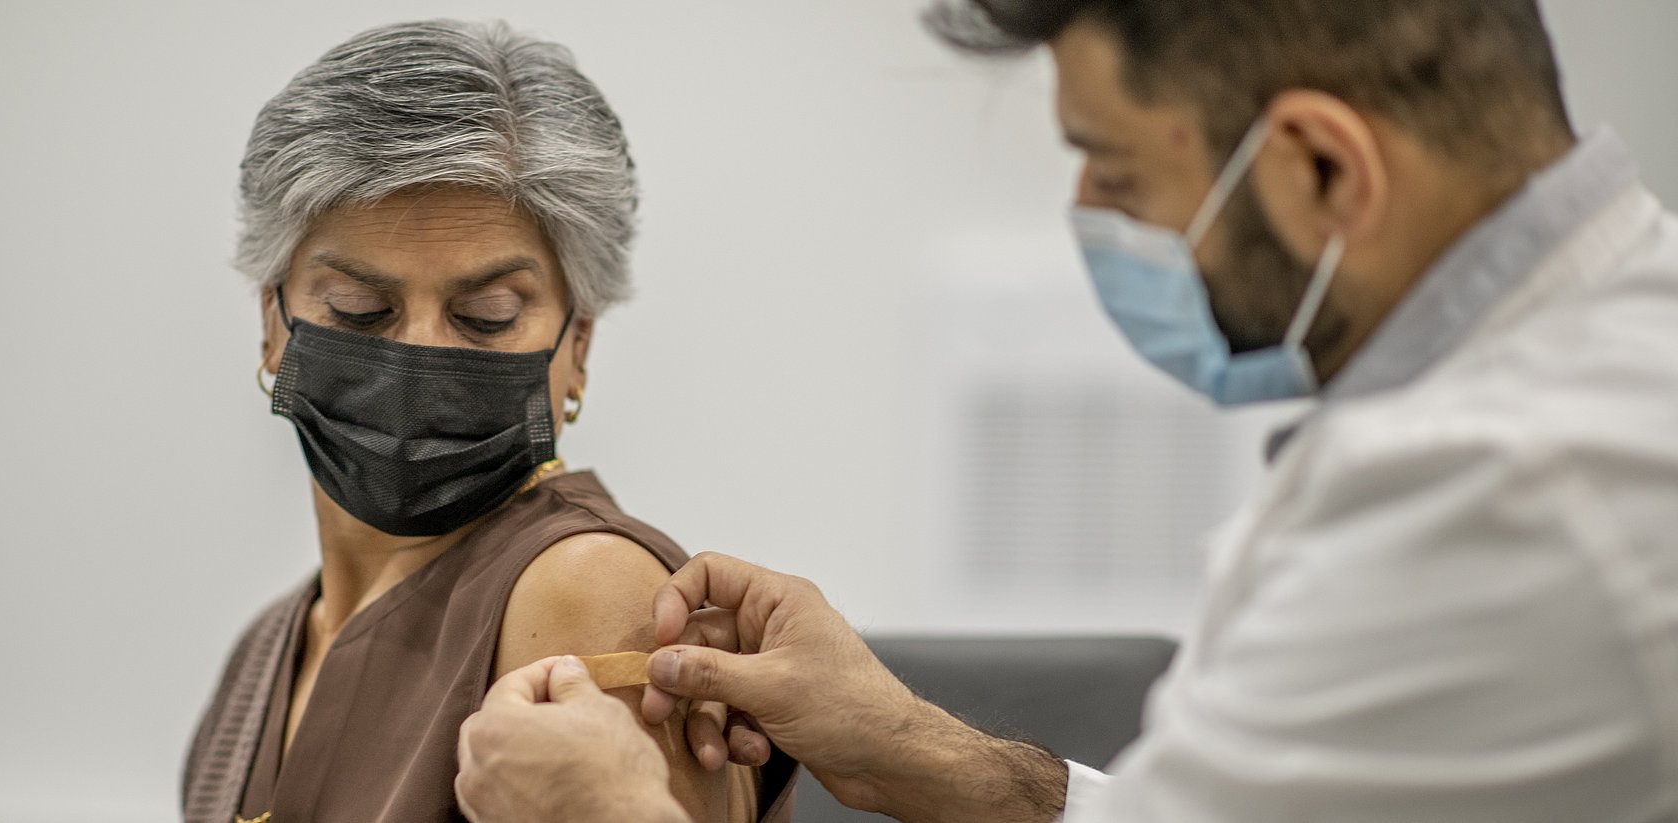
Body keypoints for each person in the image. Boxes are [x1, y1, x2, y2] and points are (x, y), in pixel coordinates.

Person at [454, 0, 1678, 821]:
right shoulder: (1609, 359)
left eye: (1121, 170)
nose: (1088, 212)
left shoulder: (1502, 489)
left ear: (1321, 168)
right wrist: (932, 754)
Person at [181, 20, 795, 823]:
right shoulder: (265, 648)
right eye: (360, 310)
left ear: (576, 347)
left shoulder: (584, 590)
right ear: (274, 323)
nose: (420, 362)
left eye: (486, 315)